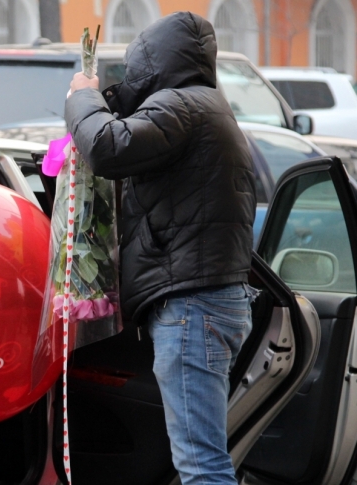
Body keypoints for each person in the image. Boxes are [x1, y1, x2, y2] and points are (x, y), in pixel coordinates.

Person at [65, 11, 257, 485]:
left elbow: (108, 147)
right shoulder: (208, 107)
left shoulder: (183, 107)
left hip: (193, 306)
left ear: (154, 62)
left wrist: (83, 97)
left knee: (201, 464)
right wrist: (112, 99)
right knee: (203, 457)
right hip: (213, 299)